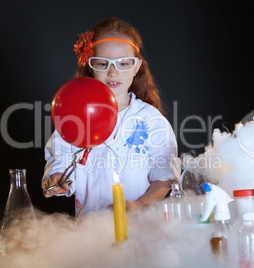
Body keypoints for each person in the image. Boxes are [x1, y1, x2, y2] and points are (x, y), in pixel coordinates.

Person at [42, 18, 180, 217]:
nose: (113, 72)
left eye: (123, 63)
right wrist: (57, 179)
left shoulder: (150, 119)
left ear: (136, 66)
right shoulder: (75, 115)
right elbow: (60, 159)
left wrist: (140, 206)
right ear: (90, 65)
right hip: (89, 232)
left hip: (137, 233)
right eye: (102, 63)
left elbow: (164, 178)